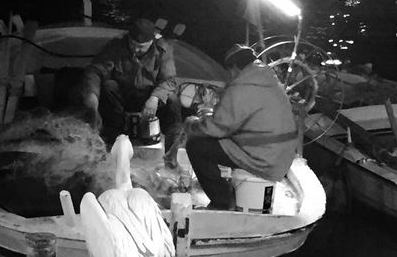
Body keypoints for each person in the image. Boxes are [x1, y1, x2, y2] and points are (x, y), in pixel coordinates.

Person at [184, 44, 298, 210]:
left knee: (196, 146)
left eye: (229, 72)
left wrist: (192, 125)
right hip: (281, 156)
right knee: (220, 143)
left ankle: (222, 203)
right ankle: (230, 191)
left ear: (235, 68)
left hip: (264, 159)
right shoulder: (269, 80)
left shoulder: (241, 86)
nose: (229, 77)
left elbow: (217, 128)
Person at [81, 18, 182, 149]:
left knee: (173, 100)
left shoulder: (163, 50)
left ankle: (172, 153)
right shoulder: (116, 47)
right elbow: (95, 71)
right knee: (109, 86)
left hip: (149, 97)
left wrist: (154, 98)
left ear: (151, 42)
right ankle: (112, 142)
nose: (135, 49)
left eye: (141, 47)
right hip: (123, 97)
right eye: (132, 44)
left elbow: (169, 80)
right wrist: (91, 99)